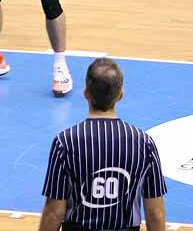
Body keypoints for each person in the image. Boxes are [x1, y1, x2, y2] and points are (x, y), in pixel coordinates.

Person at [38, 58, 168, 231]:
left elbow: (54, 211)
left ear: (86, 93)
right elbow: (155, 213)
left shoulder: (65, 142)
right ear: (120, 95)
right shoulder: (144, 143)